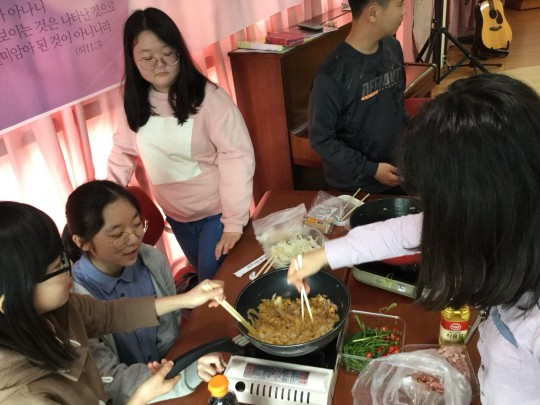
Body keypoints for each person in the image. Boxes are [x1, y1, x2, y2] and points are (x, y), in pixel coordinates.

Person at [289, 73, 540, 404]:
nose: (431, 220)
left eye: (437, 205)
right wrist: (322, 255)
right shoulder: (511, 220)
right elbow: (407, 231)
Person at [0, 201, 225, 404]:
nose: (69, 267)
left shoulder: (61, 308)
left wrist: (186, 299)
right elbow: (113, 381)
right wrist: (140, 398)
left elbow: (111, 314)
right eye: (58, 267)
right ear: (11, 298)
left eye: (62, 258)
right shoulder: (22, 394)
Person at [107, 7, 255, 282]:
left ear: (180, 52)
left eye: (168, 54)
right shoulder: (133, 101)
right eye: (147, 58)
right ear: (133, 60)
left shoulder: (210, 99)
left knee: (213, 284)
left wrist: (234, 222)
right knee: (203, 279)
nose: (160, 64)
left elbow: (237, 157)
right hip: (176, 215)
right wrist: (103, 197)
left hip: (217, 213)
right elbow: (122, 152)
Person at [62, 180, 225, 404]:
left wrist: (180, 362)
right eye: (117, 235)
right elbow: (111, 382)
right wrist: (182, 373)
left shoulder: (151, 259)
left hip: (169, 372)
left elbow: (170, 336)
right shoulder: (75, 298)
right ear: (83, 242)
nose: (134, 239)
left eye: (137, 224)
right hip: (137, 393)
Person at [308, 0, 407, 194]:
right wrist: (371, 169)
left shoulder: (393, 47)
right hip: (357, 188)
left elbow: (398, 106)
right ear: (373, 13)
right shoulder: (331, 76)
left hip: (397, 172)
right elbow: (321, 140)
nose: (403, 12)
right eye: (399, 5)